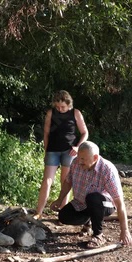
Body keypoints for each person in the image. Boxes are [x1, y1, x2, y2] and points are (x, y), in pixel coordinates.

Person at [50, 141, 132, 248]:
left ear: (95, 158)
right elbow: (68, 182)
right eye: (79, 157)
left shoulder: (107, 170)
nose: (79, 162)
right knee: (64, 216)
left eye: (83, 159)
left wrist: (125, 230)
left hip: (104, 204)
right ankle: (89, 221)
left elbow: (119, 203)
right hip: (82, 203)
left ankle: (98, 235)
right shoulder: (75, 163)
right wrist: (59, 200)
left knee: (93, 198)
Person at [34, 90, 88, 220]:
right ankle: (38, 213)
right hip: (53, 150)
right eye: (57, 107)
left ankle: (62, 215)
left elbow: (85, 133)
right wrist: (46, 151)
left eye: (62, 107)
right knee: (46, 181)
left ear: (69, 104)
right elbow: (46, 134)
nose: (60, 109)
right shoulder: (51, 113)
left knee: (65, 182)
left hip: (69, 151)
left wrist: (77, 147)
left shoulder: (76, 113)